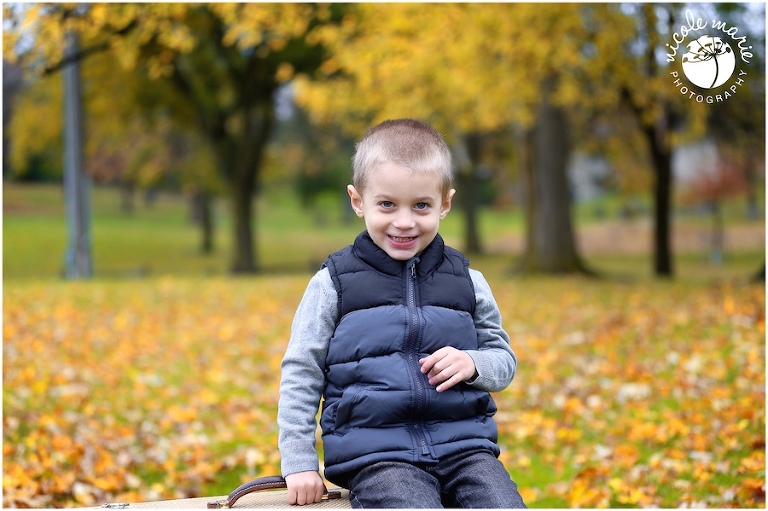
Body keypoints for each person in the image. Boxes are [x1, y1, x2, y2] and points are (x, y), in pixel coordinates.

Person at [277, 118, 526, 508]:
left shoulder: (468, 281)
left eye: (422, 205)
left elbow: (504, 361)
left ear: (445, 203)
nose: (405, 222)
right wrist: (299, 462)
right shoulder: (333, 283)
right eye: (387, 204)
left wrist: (473, 363)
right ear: (358, 201)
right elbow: (301, 371)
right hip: (377, 457)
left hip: (465, 449)